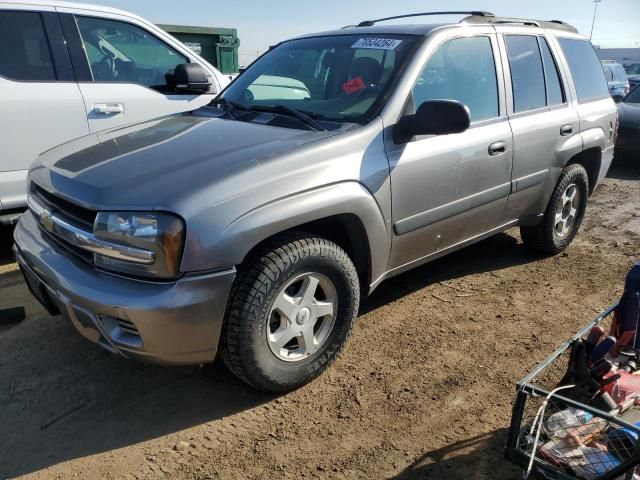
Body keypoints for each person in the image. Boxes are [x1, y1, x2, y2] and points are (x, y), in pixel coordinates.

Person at [610, 263, 640, 357]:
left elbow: (630, 330)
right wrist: (611, 341)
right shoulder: (630, 296)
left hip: (629, 349)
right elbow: (616, 317)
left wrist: (616, 348)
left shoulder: (633, 298)